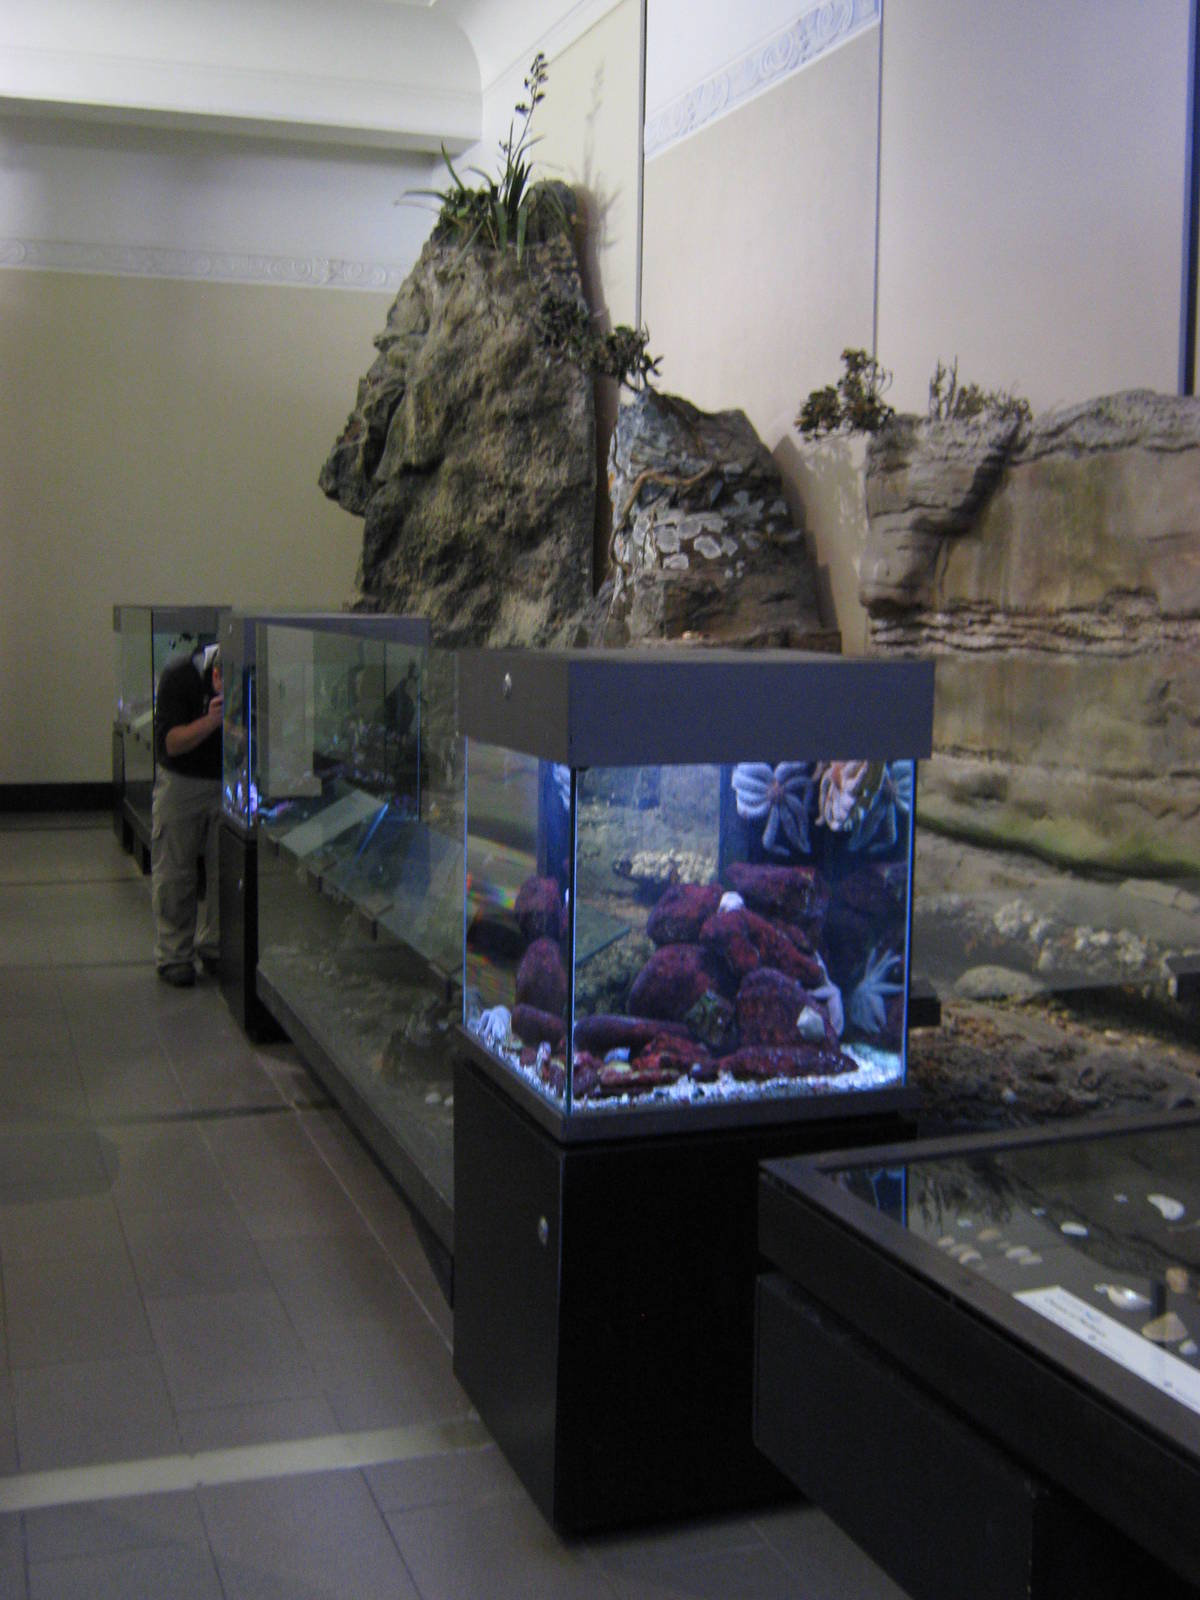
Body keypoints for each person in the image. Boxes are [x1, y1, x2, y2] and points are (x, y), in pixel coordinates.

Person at [151, 641, 223, 986]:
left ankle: (217, 946)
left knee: (225, 871)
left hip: (225, 783)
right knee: (176, 873)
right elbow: (171, 743)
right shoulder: (179, 676)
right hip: (181, 782)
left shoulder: (246, 678)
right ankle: (175, 954)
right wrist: (212, 720)